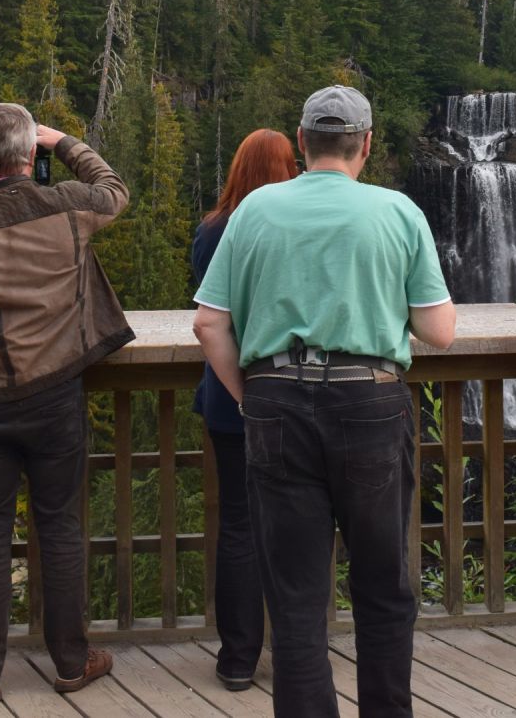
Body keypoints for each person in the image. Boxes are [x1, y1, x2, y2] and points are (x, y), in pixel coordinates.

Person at [193, 85, 456, 718]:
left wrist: (249, 396)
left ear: (304, 142)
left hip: (276, 404)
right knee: (384, 588)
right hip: (370, 402)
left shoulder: (253, 211)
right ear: (366, 144)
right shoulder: (396, 211)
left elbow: (208, 324)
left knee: (296, 596)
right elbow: (439, 330)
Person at [0, 103, 133, 705]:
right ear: (28, 154)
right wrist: (64, 142)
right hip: (58, 395)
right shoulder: (66, 205)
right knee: (60, 528)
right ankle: (70, 662)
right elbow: (113, 188)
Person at [190, 128, 300, 691]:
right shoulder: (297, 227)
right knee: (295, 527)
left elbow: (211, 314)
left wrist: (237, 392)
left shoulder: (212, 231)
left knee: (237, 525)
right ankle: (295, 655)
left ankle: (236, 660)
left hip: (232, 398)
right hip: (293, 395)